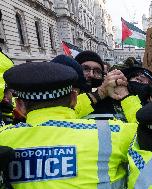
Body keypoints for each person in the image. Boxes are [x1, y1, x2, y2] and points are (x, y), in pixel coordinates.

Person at [0, 62, 137, 189]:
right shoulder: (112, 132)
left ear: (19, 105)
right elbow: (147, 127)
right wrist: (125, 96)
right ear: (73, 98)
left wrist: (100, 93)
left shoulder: (4, 137)